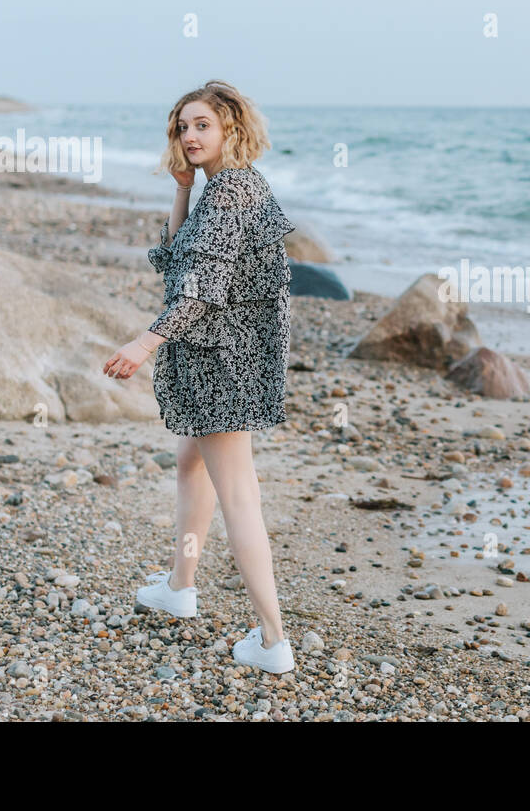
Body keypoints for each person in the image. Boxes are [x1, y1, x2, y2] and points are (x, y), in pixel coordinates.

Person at [101, 80, 297, 675]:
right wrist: (182, 191)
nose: (189, 136)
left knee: (240, 497)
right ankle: (180, 585)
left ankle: (272, 640)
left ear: (232, 128)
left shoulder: (234, 191)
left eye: (202, 125)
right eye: (182, 127)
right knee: (191, 464)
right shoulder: (216, 189)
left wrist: (143, 342)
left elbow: (202, 289)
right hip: (219, 352)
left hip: (221, 360)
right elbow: (174, 257)